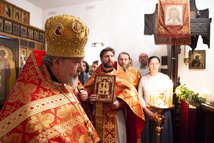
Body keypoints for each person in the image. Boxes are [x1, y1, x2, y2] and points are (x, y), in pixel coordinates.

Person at [0, 15, 99, 143]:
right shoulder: (31, 106)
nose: (82, 68)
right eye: (77, 62)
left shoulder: (66, 81)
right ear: (57, 62)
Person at [84, 47, 145, 143]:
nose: (109, 58)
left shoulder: (120, 75)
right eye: (106, 56)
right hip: (100, 115)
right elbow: (86, 92)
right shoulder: (95, 75)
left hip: (116, 114)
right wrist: (90, 99)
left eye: (112, 56)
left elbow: (131, 94)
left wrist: (119, 103)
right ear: (101, 59)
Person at [138, 56, 173, 143]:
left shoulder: (165, 78)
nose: (154, 66)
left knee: (162, 138)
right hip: (148, 112)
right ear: (148, 65)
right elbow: (139, 96)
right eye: (152, 64)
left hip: (163, 112)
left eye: (156, 63)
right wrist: (146, 110)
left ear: (159, 65)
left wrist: (159, 111)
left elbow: (167, 95)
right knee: (148, 137)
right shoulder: (144, 79)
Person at [118, 52, 142, 142]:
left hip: (132, 106)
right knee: (121, 128)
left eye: (125, 59)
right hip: (118, 104)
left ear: (129, 60)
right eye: (121, 59)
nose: (123, 61)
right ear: (118, 60)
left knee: (132, 128)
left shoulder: (135, 71)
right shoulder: (114, 71)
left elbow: (139, 88)